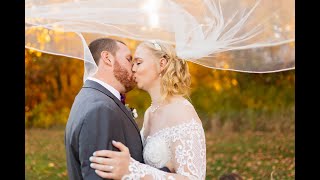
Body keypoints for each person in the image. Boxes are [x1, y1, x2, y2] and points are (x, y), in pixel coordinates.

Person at [89, 40, 207, 179]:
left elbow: (194, 178)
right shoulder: (149, 113)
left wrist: (134, 171)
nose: (133, 69)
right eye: (132, 63)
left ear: (162, 64)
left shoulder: (182, 111)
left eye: (138, 62)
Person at [64, 38, 169, 180]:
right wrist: (167, 173)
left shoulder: (90, 97)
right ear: (107, 58)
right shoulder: (100, 109)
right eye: (128, 59)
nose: (133, 67)